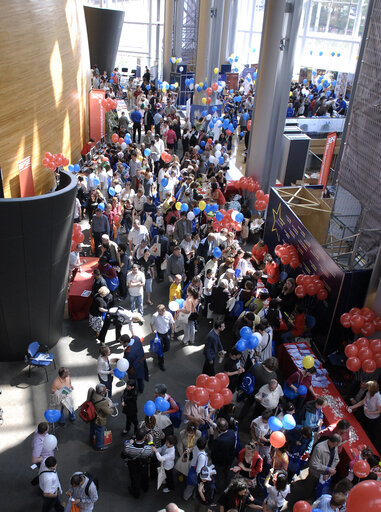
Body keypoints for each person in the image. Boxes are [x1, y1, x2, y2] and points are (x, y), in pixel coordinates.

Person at [287, 434, 341, 508]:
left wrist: (329, 471)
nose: (338, 445)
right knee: (309, 488)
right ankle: (304, 501)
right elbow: (313, 464)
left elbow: (336, 459)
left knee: (318, 489)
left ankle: (312, 498)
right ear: (334, 442)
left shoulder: (335, 447)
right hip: (315, 474)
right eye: (337, 444)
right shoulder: (319, 448)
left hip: (325, 475)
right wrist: (327, 469)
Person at [121, 426, 154, 498]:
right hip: (143, 464)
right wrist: (151, 441)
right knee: (145, 477)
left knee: (135, 478)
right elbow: (151, 454)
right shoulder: (148, 448)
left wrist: (130, 442)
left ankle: (136, 493)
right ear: (144, 438)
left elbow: (123, 454)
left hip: (133, 465)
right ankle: (145, 488)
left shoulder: (128, 447)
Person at [348, 380, 381, 451]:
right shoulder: (368, 393)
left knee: (371, 434)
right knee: (362, 429)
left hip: (373, 419)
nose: (367, 389)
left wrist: (369, 412)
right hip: (366, 415)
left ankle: (371, 449)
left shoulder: (378, 398)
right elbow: (363, 401)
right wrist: (353, 407)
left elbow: (379, 411)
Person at [208, 417, 236, 494]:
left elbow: (211, 446)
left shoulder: (219, 441)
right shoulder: (232, 432)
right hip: (229, 459)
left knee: (218, 476)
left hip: (220, 462)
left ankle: (217, 490)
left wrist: (211, 435)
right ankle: (227, 483)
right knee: (226, 474)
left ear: (218, 429)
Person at [87, 383, 115, 451]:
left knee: (92, 428)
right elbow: (108, 411)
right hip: (98, 419)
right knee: (100, 432)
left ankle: (91, 439)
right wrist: (111, 408)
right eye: (105, 390)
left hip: (91, 415)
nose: (106, 391)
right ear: (101, 392)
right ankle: (99, 446)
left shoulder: (92, 392)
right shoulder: (103, 401)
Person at [150, 304, 175, 371]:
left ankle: (159, 353)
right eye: (158, 311)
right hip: (159, 335)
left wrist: (172, 333)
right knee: (160, 350)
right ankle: (161, 363)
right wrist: (153, 330)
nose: (158, 313)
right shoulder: (155, 316)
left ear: (164, 310)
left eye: (160, 311)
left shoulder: (168, 314)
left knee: (167, 348)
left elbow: (172, 324)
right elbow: (151, 323)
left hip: (166, 334)